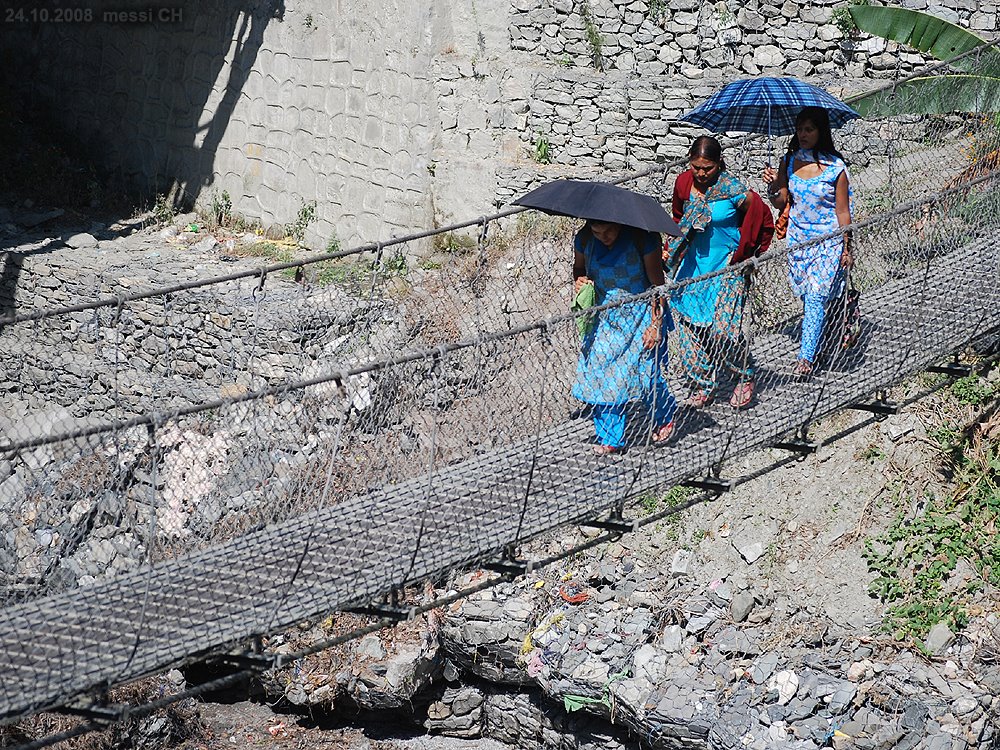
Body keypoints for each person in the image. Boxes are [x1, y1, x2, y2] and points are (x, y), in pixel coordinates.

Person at [665, 136, 774, 409]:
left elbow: (759, 213)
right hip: (694, 267)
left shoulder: (733, 190)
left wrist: (749, 253)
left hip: (726, 265)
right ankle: (704, 384)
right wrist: (672, 246)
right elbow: (678, 216)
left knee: (723, 331)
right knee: (689, 330)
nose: (701, 174)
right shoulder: (683, 184)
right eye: (696, 167)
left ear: (719, 164)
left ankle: (744, 377)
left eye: (708, 168)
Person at [762, 106, 853, 378]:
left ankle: (806, 359)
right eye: (800, 129)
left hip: (829, 241)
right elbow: (780, 201)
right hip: (799, 241)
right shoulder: (789, 162)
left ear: (820, 132)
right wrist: (772, 185)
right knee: (808, 296)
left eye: (809, 129)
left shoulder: (836, 168)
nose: (803, 134)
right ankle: (823, 339)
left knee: (815, 296)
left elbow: (843, 211)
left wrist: (848, 247)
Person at [572, 220, 677, 455]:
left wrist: (655, 325)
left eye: (608, 230)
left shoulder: (643, 239)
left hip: (640, 314)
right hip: (604, 319)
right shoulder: (585, 240)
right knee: (600, 374)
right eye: (597, 232)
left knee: (646, 373)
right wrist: (579, 280)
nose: (603, 236)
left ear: (619, 224)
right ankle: (611, 437)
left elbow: (657, 287)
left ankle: (664, 415)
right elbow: (578, 269)